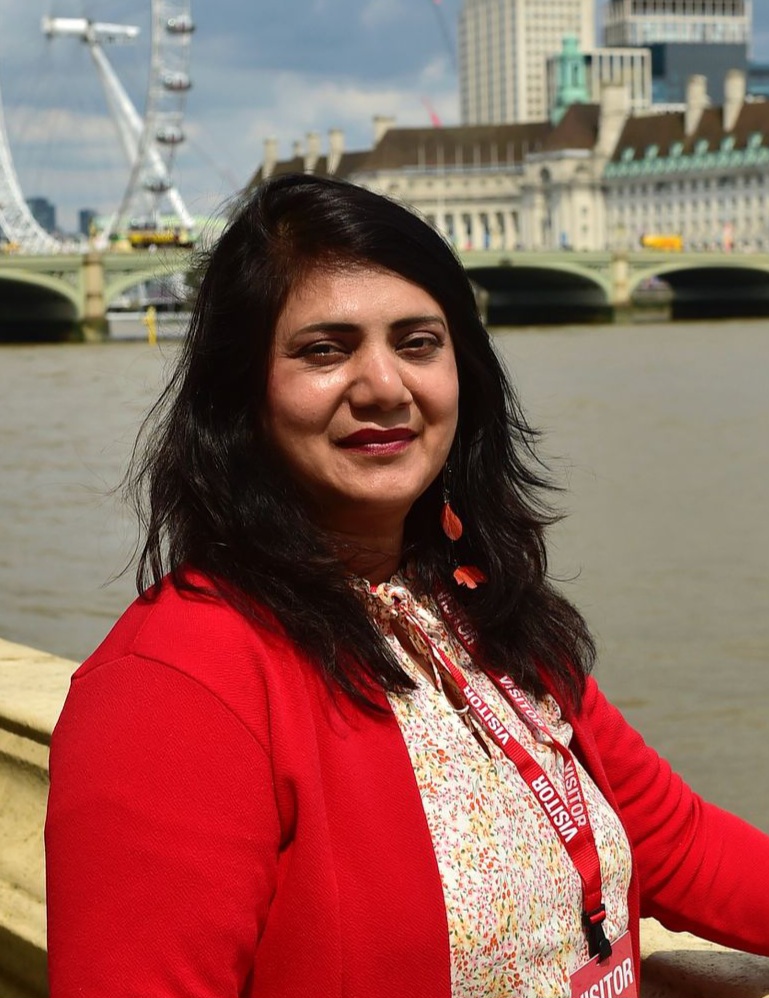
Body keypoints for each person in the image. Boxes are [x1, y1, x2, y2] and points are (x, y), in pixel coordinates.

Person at [45, 173, 769, 998]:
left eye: (417, 343)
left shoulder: (472, 607)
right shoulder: (175, 686)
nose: (384, 386)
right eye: (325, 348)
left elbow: (679, 845)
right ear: (239, 396)